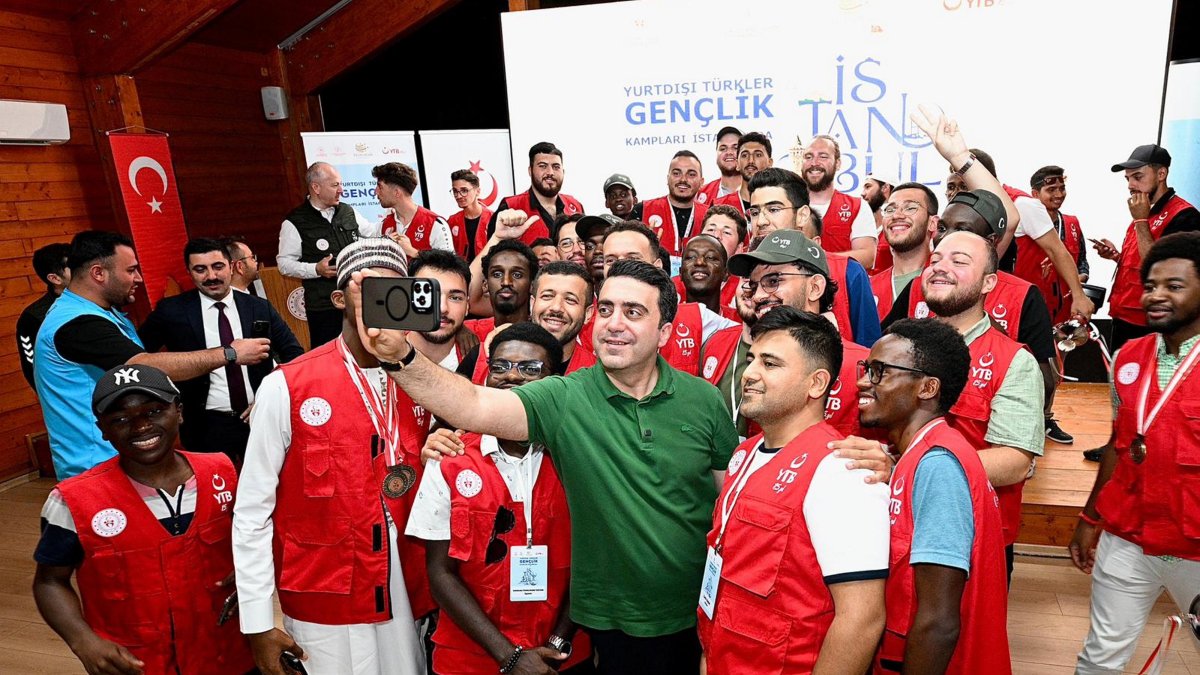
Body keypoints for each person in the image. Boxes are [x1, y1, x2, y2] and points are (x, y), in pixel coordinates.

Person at [350, 259, 738, 675]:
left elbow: (729, 507)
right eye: (605, 309)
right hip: (610, 625)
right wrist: (399, 356)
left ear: (664, 331)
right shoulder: (566, 397)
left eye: (633, 311)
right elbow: (473, 404)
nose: (614, 323)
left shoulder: (705, 401)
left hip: (696, 614)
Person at [233, 238, 431, 675]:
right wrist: (258, 621)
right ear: (340, 298)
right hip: (327, 585)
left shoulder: (424, 378)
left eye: (396, 291)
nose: (386, 303)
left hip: (406, 583)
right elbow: (252, 511)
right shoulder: (288, 386)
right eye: (372, 291)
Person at [696, 306, 888, 674]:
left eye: (770, 364)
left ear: (816, 384)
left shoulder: (841, 471)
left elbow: (861, 619)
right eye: (751, 359)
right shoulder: (743, 455)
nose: (749, 374)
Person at [33, 363, 254, 675]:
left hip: (229, 654)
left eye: (153, 411)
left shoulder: (224, 472)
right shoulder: (71, 500)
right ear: (102, 430)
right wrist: (82, 640)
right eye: (120, 419)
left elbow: (260, 538)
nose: (140, 427)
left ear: (179, 411)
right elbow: (49, 580)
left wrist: (255, 575)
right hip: (136, 664)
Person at [408, 322, 593, 674]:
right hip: (469, 657)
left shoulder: (579, 459)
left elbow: (594, 559)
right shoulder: (450, 459)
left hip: (561, 655)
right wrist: (510, 656)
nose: (512, 376)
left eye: (530, 369)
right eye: (501, 366)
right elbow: (439, 573)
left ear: (556, 382)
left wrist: (555, 644)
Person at [895, 108, 1072, 446]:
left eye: (962, 245)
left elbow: (1013, 459)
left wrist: (960, 157)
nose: (949, 240)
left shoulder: (1014, 340)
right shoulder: (917, 298)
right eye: (943, 232)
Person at [34, 231, 270, 479]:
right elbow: (144, 367)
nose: (138, 278)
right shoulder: (77, 323)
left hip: (124, 455)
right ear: (98, 273)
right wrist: (230, 353)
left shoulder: (103, 313)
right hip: (95, 465)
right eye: (131, 270)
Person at [1070, 232, 1200, 673]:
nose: (1156, 296)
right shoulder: (1129, 355)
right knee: (1101, 659)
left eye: (1174, 286)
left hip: (1195, 547)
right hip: (1127, 536)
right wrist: (1090, 520)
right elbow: (1118, 444)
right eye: (1150, 286)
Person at [857, 319, 1010, 675]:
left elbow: (939, 621)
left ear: (927, 387)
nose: (864, 381)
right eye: (867, 368)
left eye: (880, 371)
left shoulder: (938, 466)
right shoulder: (920, 454)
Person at [921, 231, 1044, 577]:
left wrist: (914, 467)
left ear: (989, 282)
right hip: (898, 521)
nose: (941, 268)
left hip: (974, 536)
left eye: (959, 262)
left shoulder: (1012, 361)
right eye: (935, 260)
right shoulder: (898, 345)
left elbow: (1015, 461)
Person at [138, 238, 303, 466]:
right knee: (214, 493)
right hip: (204, 425)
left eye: (217, 267)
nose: (211, 276)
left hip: (258, 417)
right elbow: (139, 359)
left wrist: (269, 396)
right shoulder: (172, 311)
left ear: (231, 266)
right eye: (200, 269)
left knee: (269, 488)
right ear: (189, 271)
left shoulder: (257, 307)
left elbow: (295, 356)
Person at [728, 230, 872, 439]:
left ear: (815, 287)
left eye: (773, 281)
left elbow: (893, 453)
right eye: (754, 285)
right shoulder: (753, 361)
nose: (758, 296)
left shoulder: (863, 367)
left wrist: (884, 459)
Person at [746, 166, 881, 347]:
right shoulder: (743, 268)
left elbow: (869, 351)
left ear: (802, 215)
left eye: (774, 209)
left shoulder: (848, 271)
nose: (761, 221)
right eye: (754, 213)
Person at [1093, 144, 1200, 351]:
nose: (1131, 185)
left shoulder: (1184, 216)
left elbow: (1164, 269)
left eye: (1138, 177)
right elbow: (1143, 260)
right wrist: (1117, 257)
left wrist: (1140, 221)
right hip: (1123, 315)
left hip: (1151, 321)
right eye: (1128, 179)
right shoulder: (1145, 212)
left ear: (1161, 173)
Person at [278, 161, 378, 347]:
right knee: (331, 357)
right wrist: (315, 269)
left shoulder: (348, 211)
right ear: (316, 187)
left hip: (357, 300)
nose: (341, 190)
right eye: (335, 185)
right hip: (324, 307)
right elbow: (284, 264)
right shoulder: (295, 222)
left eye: (340, 184)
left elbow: (373, 233)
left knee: (366, 351)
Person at [459, 261, 598, 382]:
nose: (556, 307)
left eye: (570, 300)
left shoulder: (596, 376)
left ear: (588, 314)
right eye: (547, 296)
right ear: (532, 304)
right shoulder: (481, 357)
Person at [1013, 166, 1090, 325]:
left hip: (1067, 309)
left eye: (1062, 189)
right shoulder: (1021, 221)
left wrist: (1077, 280)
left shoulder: (1072, 223)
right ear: (1035, 194)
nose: (1059, 194)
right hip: (1032, 305)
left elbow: (1083, 262)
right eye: (1051, 189)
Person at [478, 142, 583, 251]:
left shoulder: (575, 205)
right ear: (530, 170)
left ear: (563, 171)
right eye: (543, 166)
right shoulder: (510, 206)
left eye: (556, 167)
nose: (550, 172)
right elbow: (493, 255)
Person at [799, 135, 878, 268]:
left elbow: (868, 257)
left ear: (838, 163)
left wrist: (816, 258)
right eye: (808, 157)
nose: (814, 163)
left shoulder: (856, 206)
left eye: (823, 156)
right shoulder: (789, 205)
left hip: (840, 288)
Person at [869, 183, 939, 320]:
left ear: (933, 223)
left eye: (910, 208)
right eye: (890, 210)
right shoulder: (868, 287)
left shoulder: (946, 280)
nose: (897, 215)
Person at [630, 151, 708, 270]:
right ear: (668, 178)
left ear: (701, 182)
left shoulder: (710, 216)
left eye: (691, 174)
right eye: (676, 173)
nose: (683, 179)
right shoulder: (642, 210)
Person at [17, 242, 70, 390]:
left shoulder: (97, 298)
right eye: (73, 267)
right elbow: (32, 368)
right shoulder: (33, 317)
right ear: (55, 278)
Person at [375, 162, 455, 258]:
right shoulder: (385, 224)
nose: (376, 191)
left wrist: (413, 252)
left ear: (396, 192)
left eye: (380, 187)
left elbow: (449, 267)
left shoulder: (435, 224)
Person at [411, 249, 474, 372]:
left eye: (455, 298)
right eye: (429, 295)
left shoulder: (482, 358)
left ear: (467, 306)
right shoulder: (383, 352)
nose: (442, 308)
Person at [464, 240, 537, 342]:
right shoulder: (468, 332)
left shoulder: (545, 332)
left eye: (517, 275)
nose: (506, 282)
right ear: (485, 285)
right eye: (497, 274)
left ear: (532, 285)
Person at [677, 235, 739, 323]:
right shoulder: (665, 320)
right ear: (680, 272)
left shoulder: (740, 323)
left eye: (711, 257)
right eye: (691, 257)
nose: (699, 262)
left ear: (726, 273)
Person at [713, 131, 771, 215]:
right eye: (744, 155)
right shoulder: (719, 206)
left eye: (758, 155)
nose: (751, 161)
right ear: (737, 164)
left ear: (770, 163)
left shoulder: (782, 202)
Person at [448, 168, 492, 260]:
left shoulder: (492, 219)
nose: (458, 196)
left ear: (477, 191)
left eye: (464, 190)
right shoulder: (452, 221)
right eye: (455, 191)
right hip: (462, 272)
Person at [862, 171, 896, 275]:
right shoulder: (861, 226)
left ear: (885, 188)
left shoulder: (898, 226)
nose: (863, 193)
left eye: (868, 187)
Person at [697, 126, 741, 205]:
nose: (729, 152)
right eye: (723, 149)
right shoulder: (702, 194)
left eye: (735, 148)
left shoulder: (757, 190)